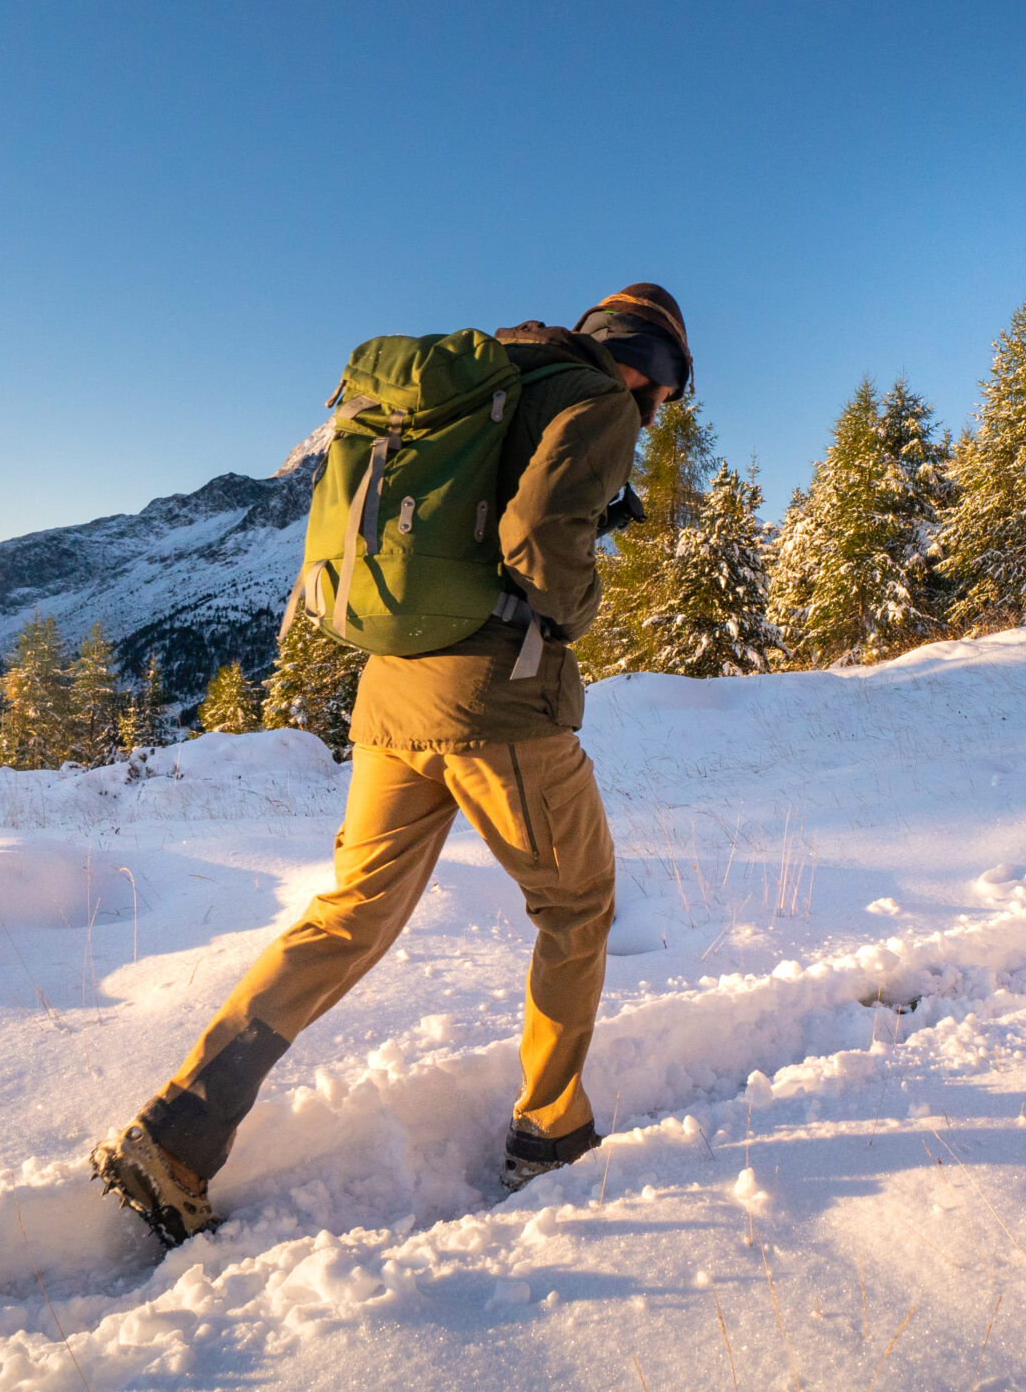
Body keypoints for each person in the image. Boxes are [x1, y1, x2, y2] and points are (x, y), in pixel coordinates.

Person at [91, 284, 694, 1246]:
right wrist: (572, 611)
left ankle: (180, 1130)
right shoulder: (600, 402)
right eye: (665, 392)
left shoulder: (493, 383)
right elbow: (538, 539)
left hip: (389, 697)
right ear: (649, 366)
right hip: (497, 703)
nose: (658, 413)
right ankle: (550, 1131)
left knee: (348, 915)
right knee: (577, 902)